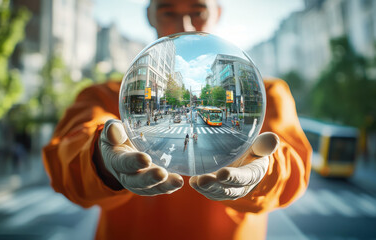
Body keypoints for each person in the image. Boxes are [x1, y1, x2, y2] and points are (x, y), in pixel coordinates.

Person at [42, 0, 312, 239]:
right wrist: (101, 162)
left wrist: (266, 173)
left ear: (217, 12)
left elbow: (295, 168)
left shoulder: (267, 94)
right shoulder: (105, 96)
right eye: (168, 12)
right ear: (150, 15)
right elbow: (62, 163)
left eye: (198, 11)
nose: (185, 25)